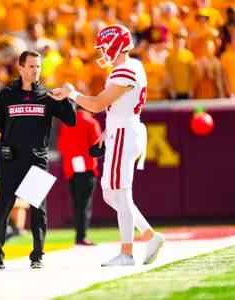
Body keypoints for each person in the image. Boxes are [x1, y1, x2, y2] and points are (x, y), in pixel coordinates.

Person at [49, 25, 165, 267]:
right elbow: (118, 106)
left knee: (121, 194)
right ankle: (151, 236)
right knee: (110, 193)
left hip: (124, 133)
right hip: (121, 131)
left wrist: (72, 93)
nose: (102, 52)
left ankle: (127, 254)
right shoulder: (134, 66)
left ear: (116, 44)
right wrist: (108, 131)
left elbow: (97, 104)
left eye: (104, 47)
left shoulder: (124, 70)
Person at [0, 50, 76, 270]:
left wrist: (65, 99)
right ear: (20, 68)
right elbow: (0, 124)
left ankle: (37, 254)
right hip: (11, 159)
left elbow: (71, 120)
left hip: (37, 158)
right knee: (2, 208)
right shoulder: (7, 94)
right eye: (31, 66)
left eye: (38, 66)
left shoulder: (48, 95)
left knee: (38, 208)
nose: (36, 70)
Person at [57, 105, 102, 246]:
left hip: (71, 169)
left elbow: (61, 146)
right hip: (87, 168)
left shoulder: (66, 123)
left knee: (77, 204)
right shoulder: (91, 122)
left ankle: (79, 235)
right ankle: (81, 236)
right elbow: (98, 146)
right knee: (84, 204)